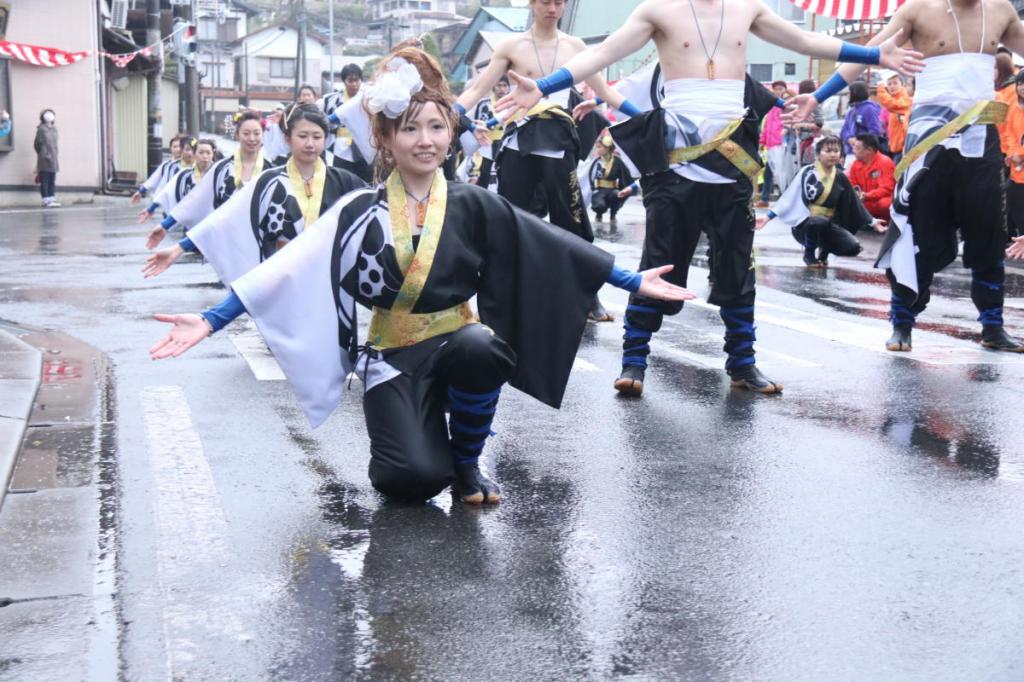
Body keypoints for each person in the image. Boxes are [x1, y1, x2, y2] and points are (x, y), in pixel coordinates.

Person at [146, 48, 694, 505]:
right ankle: (429, 447)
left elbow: (547, 240)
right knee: (408, 482)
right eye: (411, 129)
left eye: (437, 127)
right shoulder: (358, 207)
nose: (426, 140)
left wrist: (630, 280)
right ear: (386, 139)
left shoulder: (472, 202)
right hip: (389, 353)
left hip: (455, 338)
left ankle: (469, 462)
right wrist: (212, 318)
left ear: (451, 134)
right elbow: (282, 270)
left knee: (484, 349)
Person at [495, 0, 923, 395]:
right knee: (658, 260)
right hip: (675, 167)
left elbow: (806, 40)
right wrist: (544, 84)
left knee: (738, 265)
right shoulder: (659, 10)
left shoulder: (745, 8)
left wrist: (873, 56)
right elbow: (601, 54)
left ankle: (742, 362)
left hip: (732, 167)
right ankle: (634, 362)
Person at [787, 0, 1024, 353]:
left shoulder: (1001, 10)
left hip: (980, 141)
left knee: (988, 232)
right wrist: (818, 96)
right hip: (928, 142)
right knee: (916, 230)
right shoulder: (919, 9)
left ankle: (992, 325)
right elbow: (865, 54)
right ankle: (902, 322)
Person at [453, 0, 626, 322]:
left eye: (559, 2)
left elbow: (605, 90)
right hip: (519, 143)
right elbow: (478, 87)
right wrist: (449, 113)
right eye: (546, 1)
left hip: (559, 142)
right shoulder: (510, 46)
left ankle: (588, 296)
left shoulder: (574, 46)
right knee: (509, 220)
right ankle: (497, 297)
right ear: (532, 4)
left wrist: (637, 114)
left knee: (573, 219)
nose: (553, 8)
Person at [142, 103, 365, 281]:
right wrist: (178, 243)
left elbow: (375, 209)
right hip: (274, 269)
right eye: (302, 136)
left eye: (317, 137)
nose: (310, 143)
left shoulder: (343, 181)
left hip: (328, 278)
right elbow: (220, 213)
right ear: (287, 139)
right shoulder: (265, 180)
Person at [144, 112, 268, 249]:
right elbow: (195, 200)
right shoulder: (221, 170)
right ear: (237, 134)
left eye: (257, 133)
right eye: (246, 133)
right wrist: (165, 225)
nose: (252, 138)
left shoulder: (270, 172)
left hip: (261, 242)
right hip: (227, 241)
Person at [760, 135, 884, 267]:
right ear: (818, 154)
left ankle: (823, 253)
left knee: (853, 247)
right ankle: (809, 255)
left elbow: (854, 202)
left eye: (836, 151)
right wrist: (768, 217)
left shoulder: (840, 176)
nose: (832, 155)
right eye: (828, 151)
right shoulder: (806, 172)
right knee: (819, 221)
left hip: (830, 223)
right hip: (805, 224)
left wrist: (873, 222)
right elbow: (788, 199)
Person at [137, 138, 214, 224]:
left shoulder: (219, 173)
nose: (205, 156)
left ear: (213, 153)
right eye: (201, 152)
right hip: (188, 220)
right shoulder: (183, 173)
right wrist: (150, 208)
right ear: (195, 153)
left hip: (211, 221)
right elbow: (166, 191)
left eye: (208, 152)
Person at [320, 64, 372, 182]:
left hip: (365, 147)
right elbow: (320, 118)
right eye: (350, 80)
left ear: (361, 80)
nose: (354, 84)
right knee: (341, 180)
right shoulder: (331, 100)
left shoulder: (370, 99)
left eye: (357, 80)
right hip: (340, 148)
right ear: (344, 81)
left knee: (366, 182)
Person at [587, 133, 636, 231]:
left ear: (607, 148)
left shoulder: (617, 161)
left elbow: (625, 176)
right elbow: (588, 175)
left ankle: (613, 215)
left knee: (617, 194)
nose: (598, 150)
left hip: (612, 189)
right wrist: (592, 188)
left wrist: (626, 189)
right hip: (599, 189)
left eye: (600, 147)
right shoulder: (596, 161)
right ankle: (599, 214)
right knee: (599, 205)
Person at [847, 133, 896, 221]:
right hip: (865, 202)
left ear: (869, 150)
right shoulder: (855, 164)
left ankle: (889, 224)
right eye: (854, 147)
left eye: (857, 148)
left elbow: (886, 189)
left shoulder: (885, 162)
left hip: (877, 202)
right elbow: (851, 185)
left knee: (885, 204)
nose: (853, 150)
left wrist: (867, 195)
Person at [1001, 70, 1024, 239]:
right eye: (1019, 83)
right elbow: (1008, 134)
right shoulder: (1015, 108)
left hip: (1020, 163)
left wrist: (1020, 154)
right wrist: (1012, 153)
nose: (1021, 87)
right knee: (1016, 208)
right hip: (1017, 172)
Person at [131, 135, 187, 205]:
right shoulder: (166, 165)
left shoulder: (189, 165)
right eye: (175, 147)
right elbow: (154, 179)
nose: (178, 149)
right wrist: (140, 191)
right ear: (170, 149)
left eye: (180, 146)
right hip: (169, 202)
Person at [839, 80, 885, 161]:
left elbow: (875, 131)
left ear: (856, 93)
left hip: (865, 154)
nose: (848, 95)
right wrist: (849, 139)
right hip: (851, 153)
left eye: (849, 92)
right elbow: (843, 131)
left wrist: (860, 142)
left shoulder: (869, 109)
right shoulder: (852, 111)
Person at [759, 80, 787, 206]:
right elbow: (766, 126)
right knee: (769, 172)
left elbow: (788, 123)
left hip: (780, 144)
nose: (777, 91)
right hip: (771, 145)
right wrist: (762, 141)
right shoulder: (770, 106)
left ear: (784, 91)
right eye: (775, 89)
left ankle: (783, 198)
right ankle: (765, 199)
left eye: (780, 89)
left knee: (781, 173)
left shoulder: (786, 105)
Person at [875, 72, 913, 162]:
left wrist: (880, 88)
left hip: (905, 149)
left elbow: (891, 104)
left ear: (902, 84)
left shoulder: (906, 100)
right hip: (896, 148)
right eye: (889, 84)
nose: (892, 86)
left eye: (895, 83)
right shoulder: (895, 100)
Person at [33, 109, 60, 208]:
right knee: (44, 180)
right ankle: (45, 199)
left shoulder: (54, 129)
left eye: (51, 114)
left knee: (52, 179)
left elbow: (55, 144)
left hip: (54, 158)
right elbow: (37, 144)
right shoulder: (41, 129)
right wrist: (43, 153)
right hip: (44, 158)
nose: (49, 116)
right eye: (47, 114)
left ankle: (51, 198)